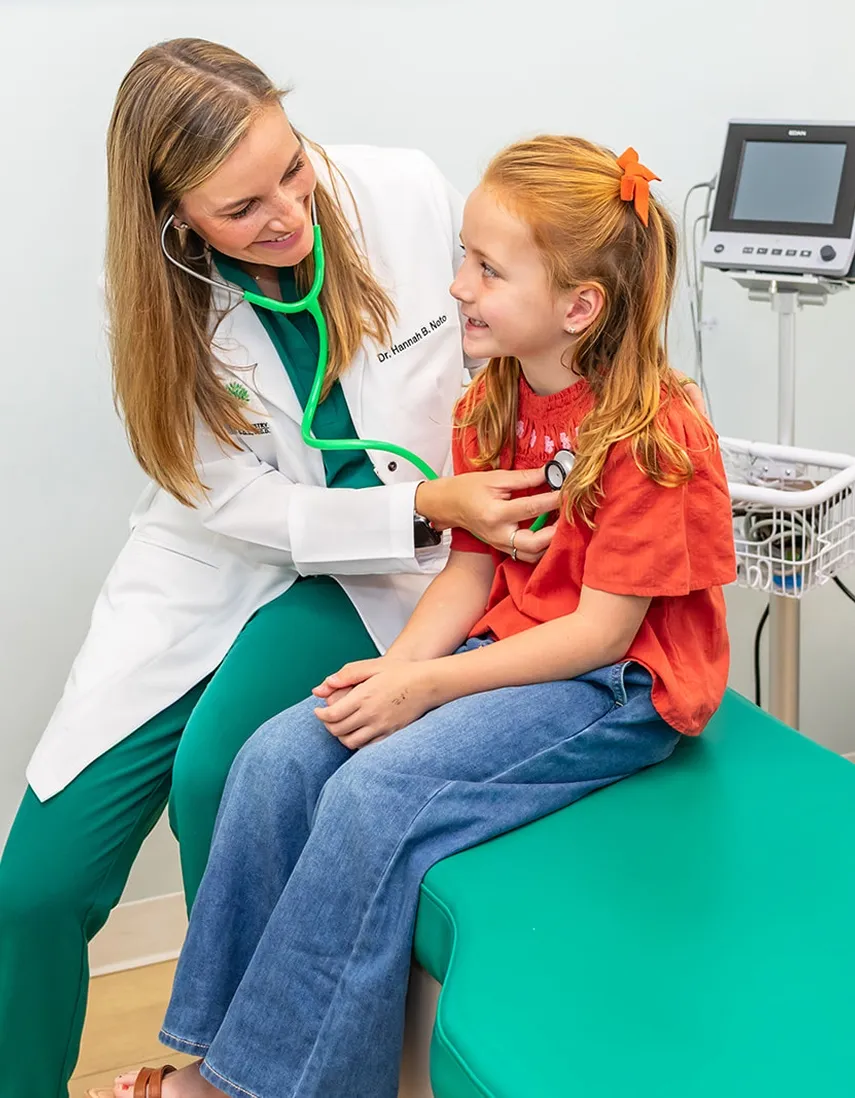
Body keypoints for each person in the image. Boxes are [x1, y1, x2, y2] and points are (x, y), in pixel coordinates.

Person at [97, 135, 737, 1098]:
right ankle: (219, 1053)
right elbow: (468, 576)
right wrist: (398, 674)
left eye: (486, 269)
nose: (455, 286)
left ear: (577, 306)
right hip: (511, 640)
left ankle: (247, 1088)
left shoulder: (653, 435)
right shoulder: (492, 402)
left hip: (621, 683)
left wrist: (428, 685)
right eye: (463, 258)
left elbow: (601, 635)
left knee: (371, 795)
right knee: (276, 758)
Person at [0, 38, 579, 1098]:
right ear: (175, 220)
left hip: (395, 570)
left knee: (221, 775)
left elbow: (511, 331)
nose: (288, 214)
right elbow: (223, 495)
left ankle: (227, 1072)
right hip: (222, 561)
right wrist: (421, 505)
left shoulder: (402, 192)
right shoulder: (151, 297)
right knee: (31, 889)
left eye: (293, 168)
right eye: (241, 208)